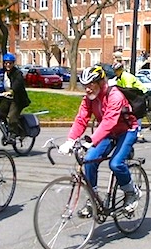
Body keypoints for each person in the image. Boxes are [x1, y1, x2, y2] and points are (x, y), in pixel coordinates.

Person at [58, 66, 141, 216]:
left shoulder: (115, 96)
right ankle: (93, 200)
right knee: (89, 160)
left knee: (116, 164)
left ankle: (132, 192)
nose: (87, 89)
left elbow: (109, 122)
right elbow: (81, 119)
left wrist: (91, 140)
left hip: (127, 130)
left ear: (101, 82)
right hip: (109, 133)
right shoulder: (89, 99)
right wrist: (70, 140)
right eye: (84, 86)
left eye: (91, 85)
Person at [0, 52, 31, 142]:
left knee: (12, 116)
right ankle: (7, 131)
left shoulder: (17, 73)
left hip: (17, 99)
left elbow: (17, 83)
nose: (8, 65)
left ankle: (13, 133)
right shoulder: (1, 73)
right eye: (6, 63)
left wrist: (11, 91)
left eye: (10, 63)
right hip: (6, 98)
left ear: (13, 63)